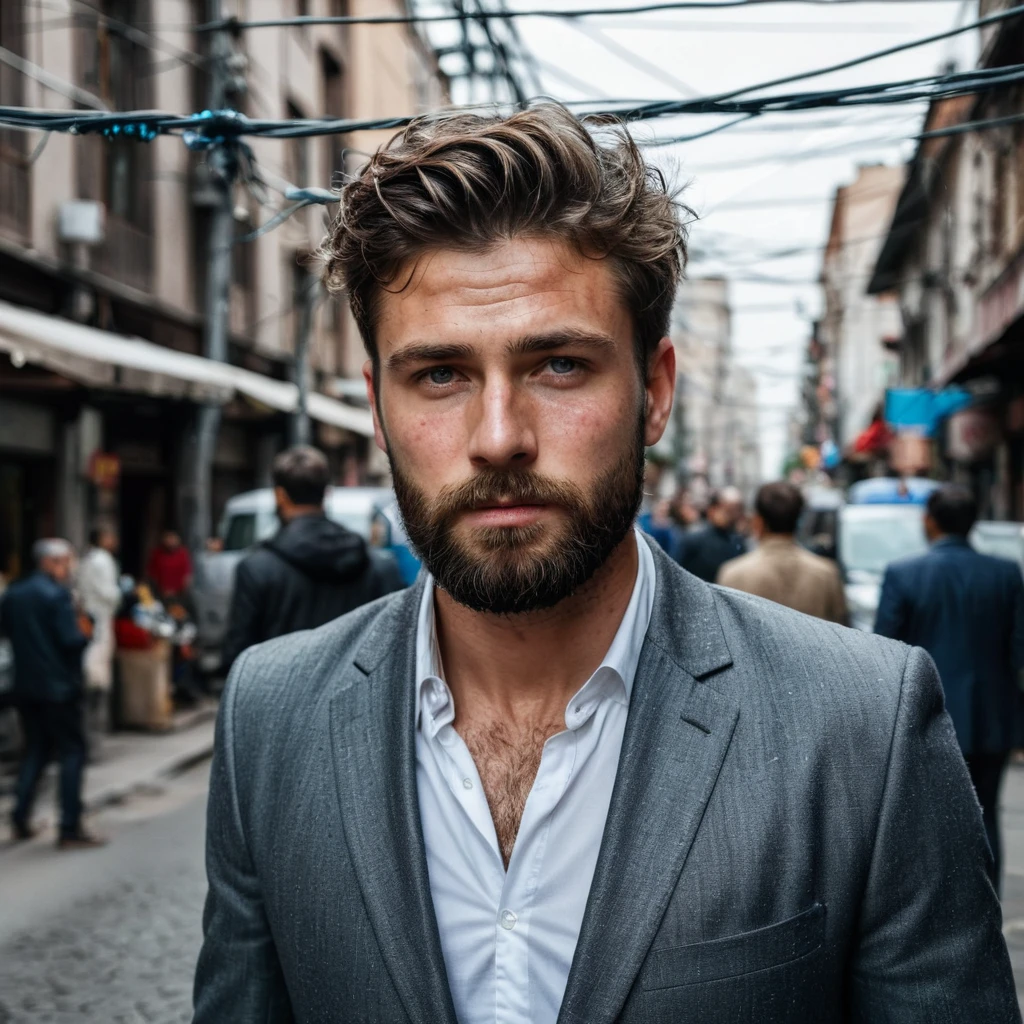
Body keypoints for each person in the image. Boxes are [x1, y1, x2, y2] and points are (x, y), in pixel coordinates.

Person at [193, 105, 1018, 1023]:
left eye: (557, 366)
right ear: (379, 412)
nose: (498, 438)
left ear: (654, 393)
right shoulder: (270, 715)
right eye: (439, 375)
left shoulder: (864, 728)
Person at [875, 484, 1024, 892]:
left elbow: (885, 649)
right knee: (987, 811)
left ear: (930, 521)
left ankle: (941, 901)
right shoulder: (1006, 573)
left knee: (928, 815)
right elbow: (1019, 646)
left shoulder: (904, 573)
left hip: (923, 713)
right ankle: (987, 896)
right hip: (992, 713)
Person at [220, 445, 405, 673]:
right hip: (357, 701)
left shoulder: (256, 569)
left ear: (280, 495)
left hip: (282, 701)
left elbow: (238, 657)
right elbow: (397, 645)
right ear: (327, 493)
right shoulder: (379, 566)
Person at [0, 539, 105, 849]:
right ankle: (69, 826)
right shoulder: (57, 596)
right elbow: (71, 641)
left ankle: (20, 817)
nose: (67, 568)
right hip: (59, 688)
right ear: (48, 562)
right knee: (72, 751)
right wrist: (88, 630)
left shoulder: (14, 595)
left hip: (25, 686)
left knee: (36, 749)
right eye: (63, 562)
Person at [718, 481, 848, 624]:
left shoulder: (732, 575)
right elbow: (843, 632)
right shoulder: (827, 574)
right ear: (799, 520)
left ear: (758, 522)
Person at [77, 526, 122, 736]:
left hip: (90, 618)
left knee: (91, 667)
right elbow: (109, 593)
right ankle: (96, 729)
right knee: (97, 675)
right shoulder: (102, 559)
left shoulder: (87, 558)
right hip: (100, 618)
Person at [676, 486, 747, 582]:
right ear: (713, 509)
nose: (732, 515)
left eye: (737, 510)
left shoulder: (738, 541)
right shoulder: (693, 539)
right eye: (728, 510)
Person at [146, 529, 192, 601]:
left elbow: (187, 574)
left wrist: (182, 590)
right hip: (160, 592)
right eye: (168, 538)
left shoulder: (183, 553)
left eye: (173, 538)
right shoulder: (157, 553)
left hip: (179, 593)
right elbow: (152, 573)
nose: (170, 541)